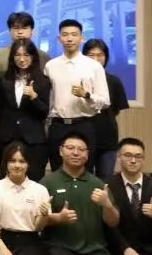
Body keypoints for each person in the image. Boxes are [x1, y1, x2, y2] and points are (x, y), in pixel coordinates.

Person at [40, 131, 119, 255]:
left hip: (95, 248)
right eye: (70, 148)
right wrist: (57, 218)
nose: (76, 153)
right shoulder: (47, 183)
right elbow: (39, 222)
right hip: (59, 246)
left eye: (81, 149)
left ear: (87, 154)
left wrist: (107, 205)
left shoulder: (98, 183)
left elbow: (113, 221)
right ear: (60, 151)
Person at [44, 19, 109, 171]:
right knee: (57, 170)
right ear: (59, 38)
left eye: (74, 34)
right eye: (65, 35)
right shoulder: (50, 66)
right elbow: (49, 99)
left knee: (85, 171)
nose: (69, 39)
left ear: (81, 38)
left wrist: (86, 95)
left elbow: (105, 101)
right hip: (58, 125)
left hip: (84, 123)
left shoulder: (94, 66)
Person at [0, 39, 52, 181]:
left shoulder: (43, 80)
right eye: (18, 55)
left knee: (34, 180)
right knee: (6, 181)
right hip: (8, 138)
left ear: (33, 56)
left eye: (26, 55)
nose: (22, 59)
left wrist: (34, 97)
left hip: (33, 140)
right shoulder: (3, 79)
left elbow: (44, 112)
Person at [83, 38, 130, 179]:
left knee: (106, 178)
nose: (96, 59)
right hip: (83, 137)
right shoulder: (78, 80)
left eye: (100, 55)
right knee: (84, 178)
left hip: (107, 138)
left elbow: (116, 109)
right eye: (91, 55)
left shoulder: (114, 81)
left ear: (106, 57)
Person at [0, 12, 51, 77]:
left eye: (24, 28)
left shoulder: (43, 56)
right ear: (10, 31)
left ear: (32, 31)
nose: (20, 32)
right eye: (16, 28)